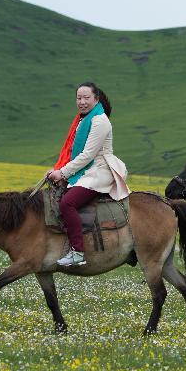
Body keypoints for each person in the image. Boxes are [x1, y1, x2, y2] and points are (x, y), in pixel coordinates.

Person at [46, 82, 130, 266]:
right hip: (88, 169)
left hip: (99, 170)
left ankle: (77, 252)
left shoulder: (99, 121)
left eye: (86, 98)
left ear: (96, 99)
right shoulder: (83, 119)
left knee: (68, 203)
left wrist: (63, 172)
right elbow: (72, 152)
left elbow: (87, 155)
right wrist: (58, 169)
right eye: (79, 98)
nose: (82, 102)